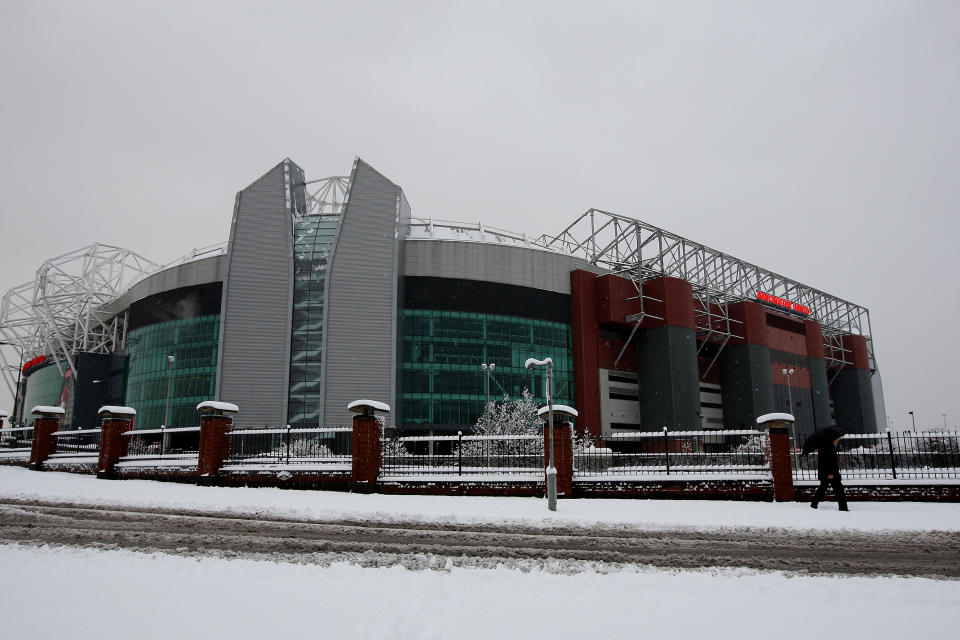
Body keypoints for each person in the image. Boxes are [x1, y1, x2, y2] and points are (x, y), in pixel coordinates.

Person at [811, 436, 849, 511]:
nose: (838, 441)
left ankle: (814, 504)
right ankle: (843, 507)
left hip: (827, 473)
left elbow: (828, 460)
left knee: (823, 488)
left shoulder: (826, 446)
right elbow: (827, 461)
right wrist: (830, 473)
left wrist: (836, 459)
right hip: (830, 473)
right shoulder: (828, 447)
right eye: (837, 439)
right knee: (839, 490)